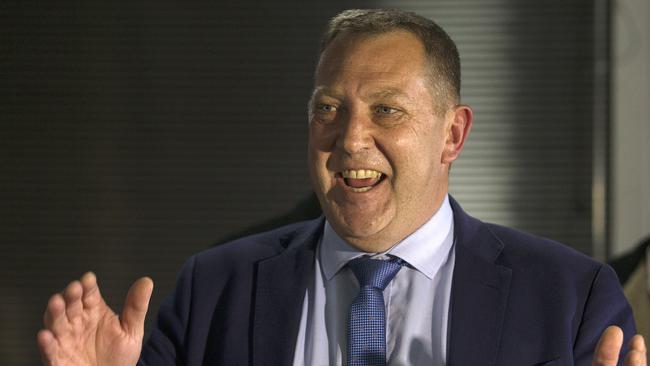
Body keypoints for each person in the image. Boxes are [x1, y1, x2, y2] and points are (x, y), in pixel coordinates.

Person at [37, 8, 647, 366]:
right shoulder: (213, 290)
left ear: (452, 135)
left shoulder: (572, 298)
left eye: (387, 110)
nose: (350, 139)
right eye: (328, 109)